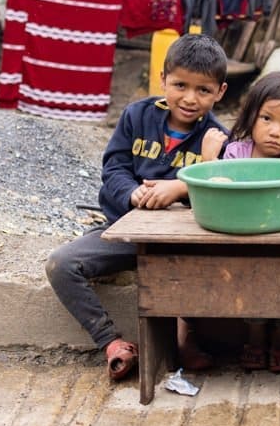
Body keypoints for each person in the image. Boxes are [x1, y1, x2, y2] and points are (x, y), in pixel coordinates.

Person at [45, 33, 229, 381]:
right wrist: (132, 195)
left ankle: (184, 339)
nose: (190, 98)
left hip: (182, 243)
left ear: (220, 91)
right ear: (162, 79)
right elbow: (113, 169)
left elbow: (221, 192)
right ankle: (112, 342)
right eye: (180, 85)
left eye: (203, 90)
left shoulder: (217, 139)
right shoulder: (136, 116)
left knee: (201, 269)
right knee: (62, 264)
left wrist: (183, 185)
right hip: (125, 232)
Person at [202, 71, 280, 373]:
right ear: (251, 117)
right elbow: (217, 190)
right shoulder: (236, 152)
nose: (275, 131)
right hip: (246, 242)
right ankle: (255, 335)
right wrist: (208, 162)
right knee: (249, 272)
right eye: (267, 118)